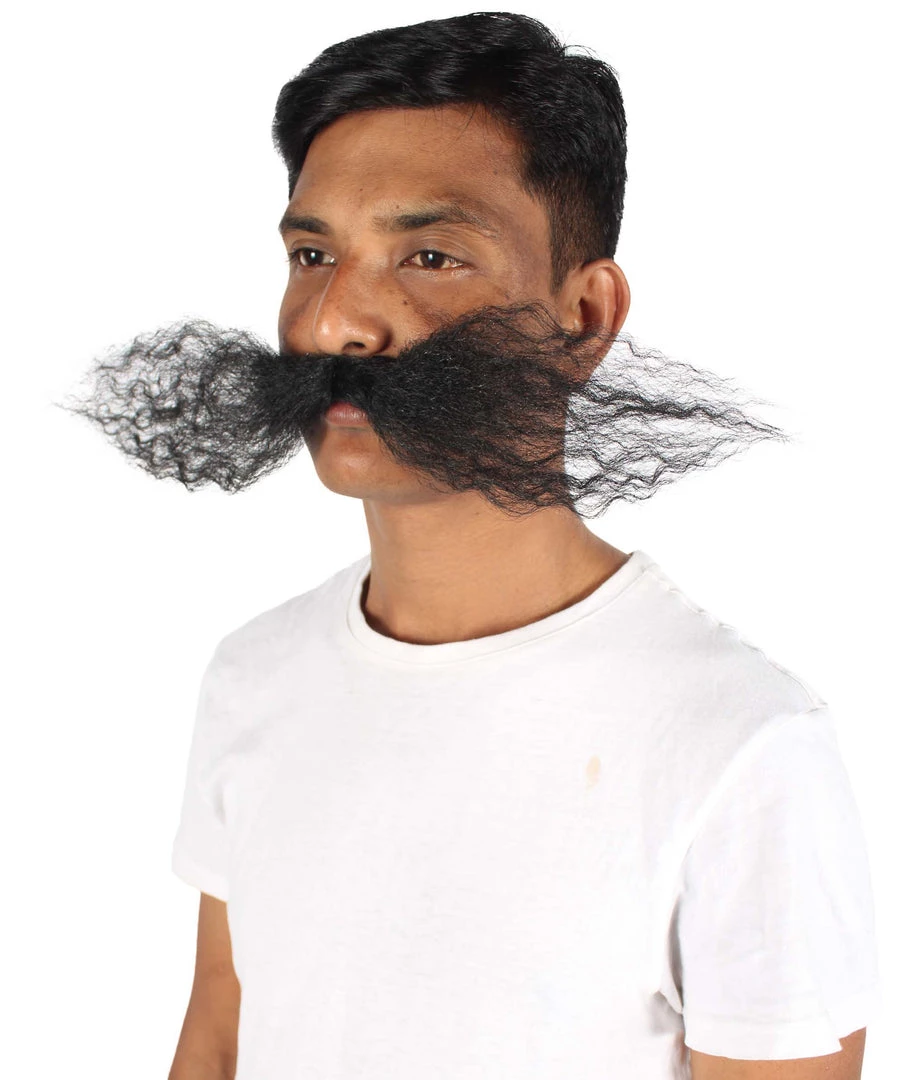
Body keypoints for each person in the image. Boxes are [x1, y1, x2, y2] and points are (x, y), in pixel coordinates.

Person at [60, 12, 880, 1080]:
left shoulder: (740, 745)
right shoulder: (252, 674)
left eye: (430, 256)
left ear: (583, 316)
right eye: (313, 254)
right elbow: (219, 1035)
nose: (336, 323)